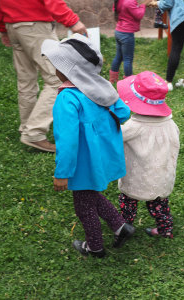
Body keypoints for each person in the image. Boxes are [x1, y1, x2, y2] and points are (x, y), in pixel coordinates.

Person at [42, 34, 135, 258]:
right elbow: (123, 113)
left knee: (83, 206)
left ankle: (94, 247)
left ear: (66, 70)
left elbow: (67, 141)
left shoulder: (67, 99)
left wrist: (62, 173)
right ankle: (121, 226)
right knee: (90, 195)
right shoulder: (101, 87)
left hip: (84, 163)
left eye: (57, 64)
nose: (54, 68)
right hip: (105, 156)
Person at [0, 0, 87, 153]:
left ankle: (27, 128)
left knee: (26, 81)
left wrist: (3, 29)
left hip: (13, 26)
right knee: (58, 79)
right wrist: (72, 21)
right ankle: (34, 133)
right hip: (35, 25)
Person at [117, 71, 180, 239]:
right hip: (161, 177)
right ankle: (165, 229)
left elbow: (115, 136)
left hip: (136, 178)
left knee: (128, 202)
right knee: (160, 205)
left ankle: (124, 227)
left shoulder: (134, 126)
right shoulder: (171, 124)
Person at [148, 0, 184, 91]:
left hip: (182, 14)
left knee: (176, 47)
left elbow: (167, 3)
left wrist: (157, 3)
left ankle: (168, 82)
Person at [109, 0, 146, 84]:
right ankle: (128, 82)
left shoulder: (120, 1)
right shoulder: (129, 2)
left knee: (118, 56)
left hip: (119, 31)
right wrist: (143, 5)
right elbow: (139, 15)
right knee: (128, 59)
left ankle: (113, 80)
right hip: (127, 34)